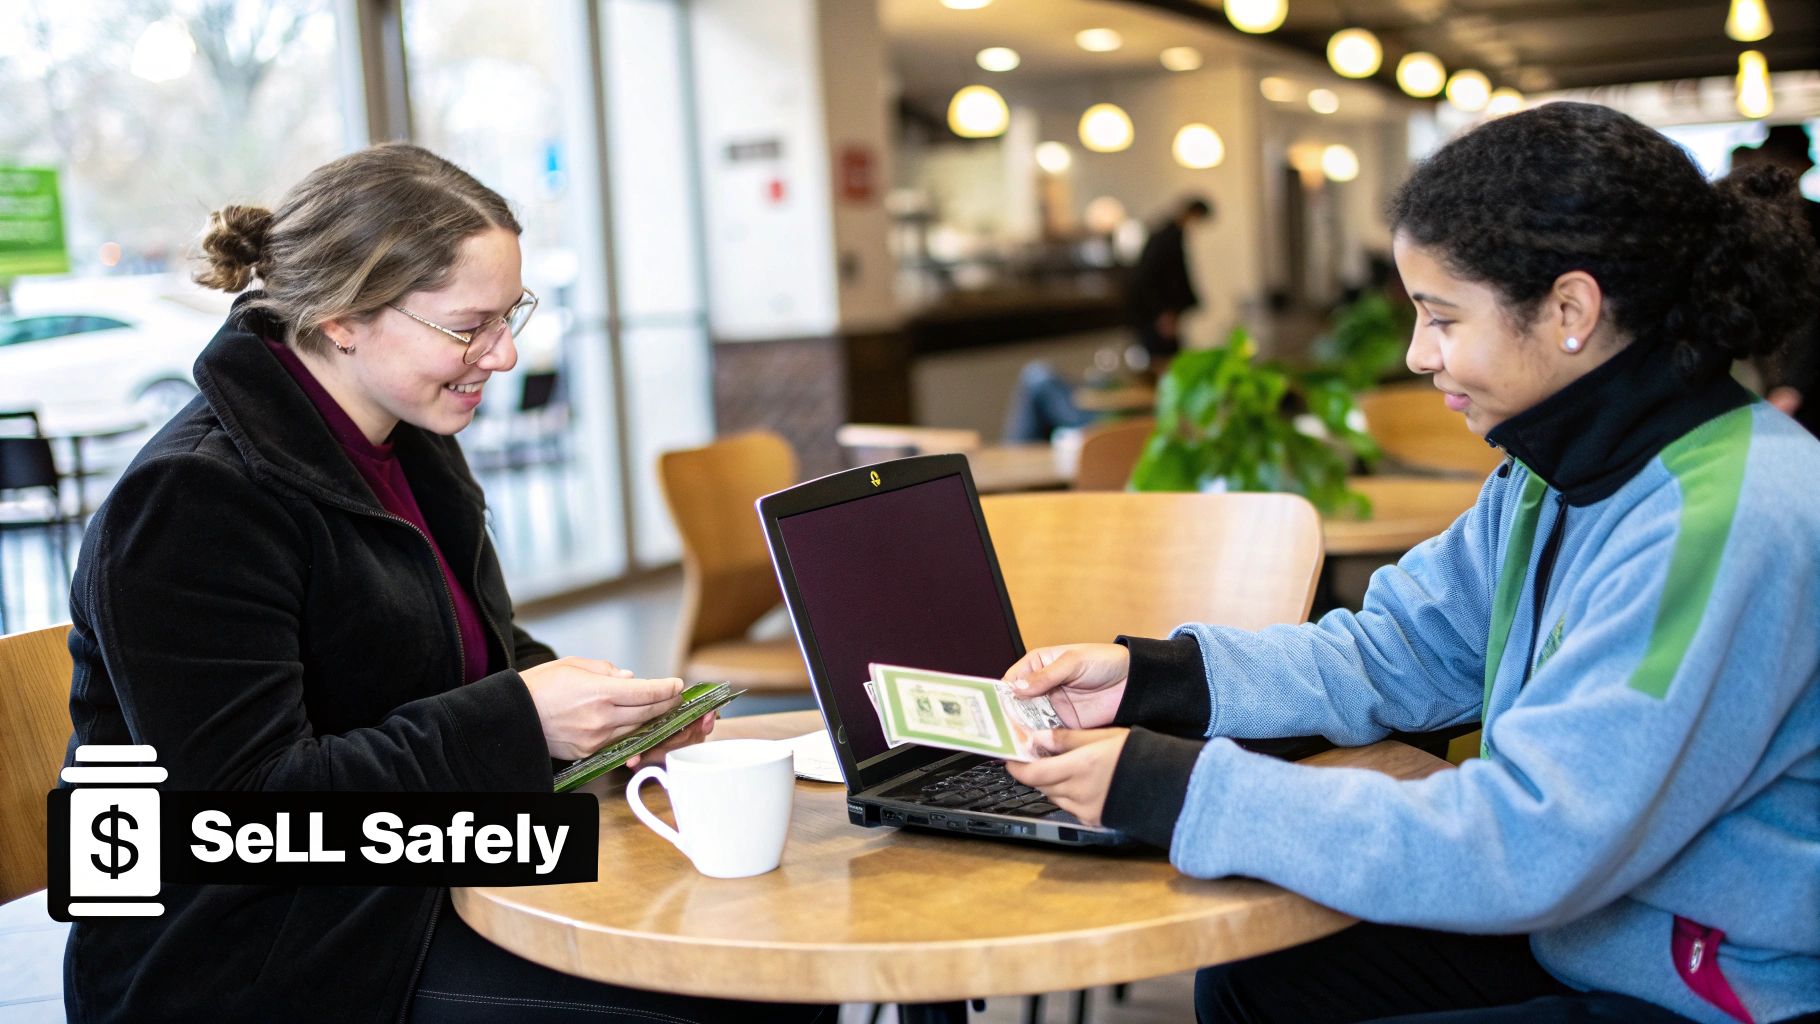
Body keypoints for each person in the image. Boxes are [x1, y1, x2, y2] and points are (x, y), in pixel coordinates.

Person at [1001, 102, 1820, 1024]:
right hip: (1595, 929)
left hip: (1715, 992)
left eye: (1440, 317)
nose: (1416, 354)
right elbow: (1399, 650)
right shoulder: (1555, 470)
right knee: (1255, 981)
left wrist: (1178, 786)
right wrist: (1155, 679)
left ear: (1569, 310)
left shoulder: (1728, 518)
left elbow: (1525, 842)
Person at [61, 144, 826, 1023]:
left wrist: (610, 724)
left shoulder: (408, 437)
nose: (501, 358)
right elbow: (244, 819)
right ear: (344, 317)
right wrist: (522, 718)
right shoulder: (192, 501)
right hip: (251, 954)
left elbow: (474, 653)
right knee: (742, 988)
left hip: (405, 879)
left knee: (773, 938)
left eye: (512, 315)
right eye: (470, 326)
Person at [1127, 196, 1213, 363]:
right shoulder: (1166, 238)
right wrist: (1163, 312)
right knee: (1163, 360)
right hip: (1156, 312)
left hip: (1160, 310)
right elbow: (1151, 277)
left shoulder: (1170, 235)